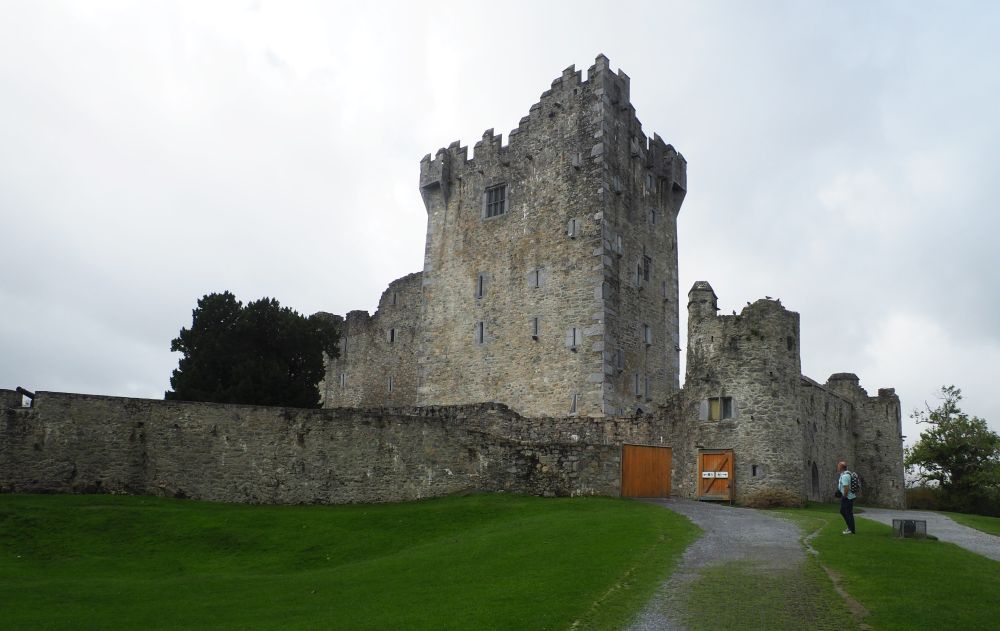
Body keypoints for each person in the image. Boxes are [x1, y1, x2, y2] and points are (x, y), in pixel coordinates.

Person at [836, 461, 856, 535]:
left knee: (847, 513)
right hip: (848, 497)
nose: (837, 468)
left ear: (841, 468)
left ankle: (851, 529)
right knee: (845, 512)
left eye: (838, 466)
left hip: (847, 497)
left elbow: (846, 488)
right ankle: (850, 528)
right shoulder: (847, 474)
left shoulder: (845, 476)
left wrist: (844, 496)